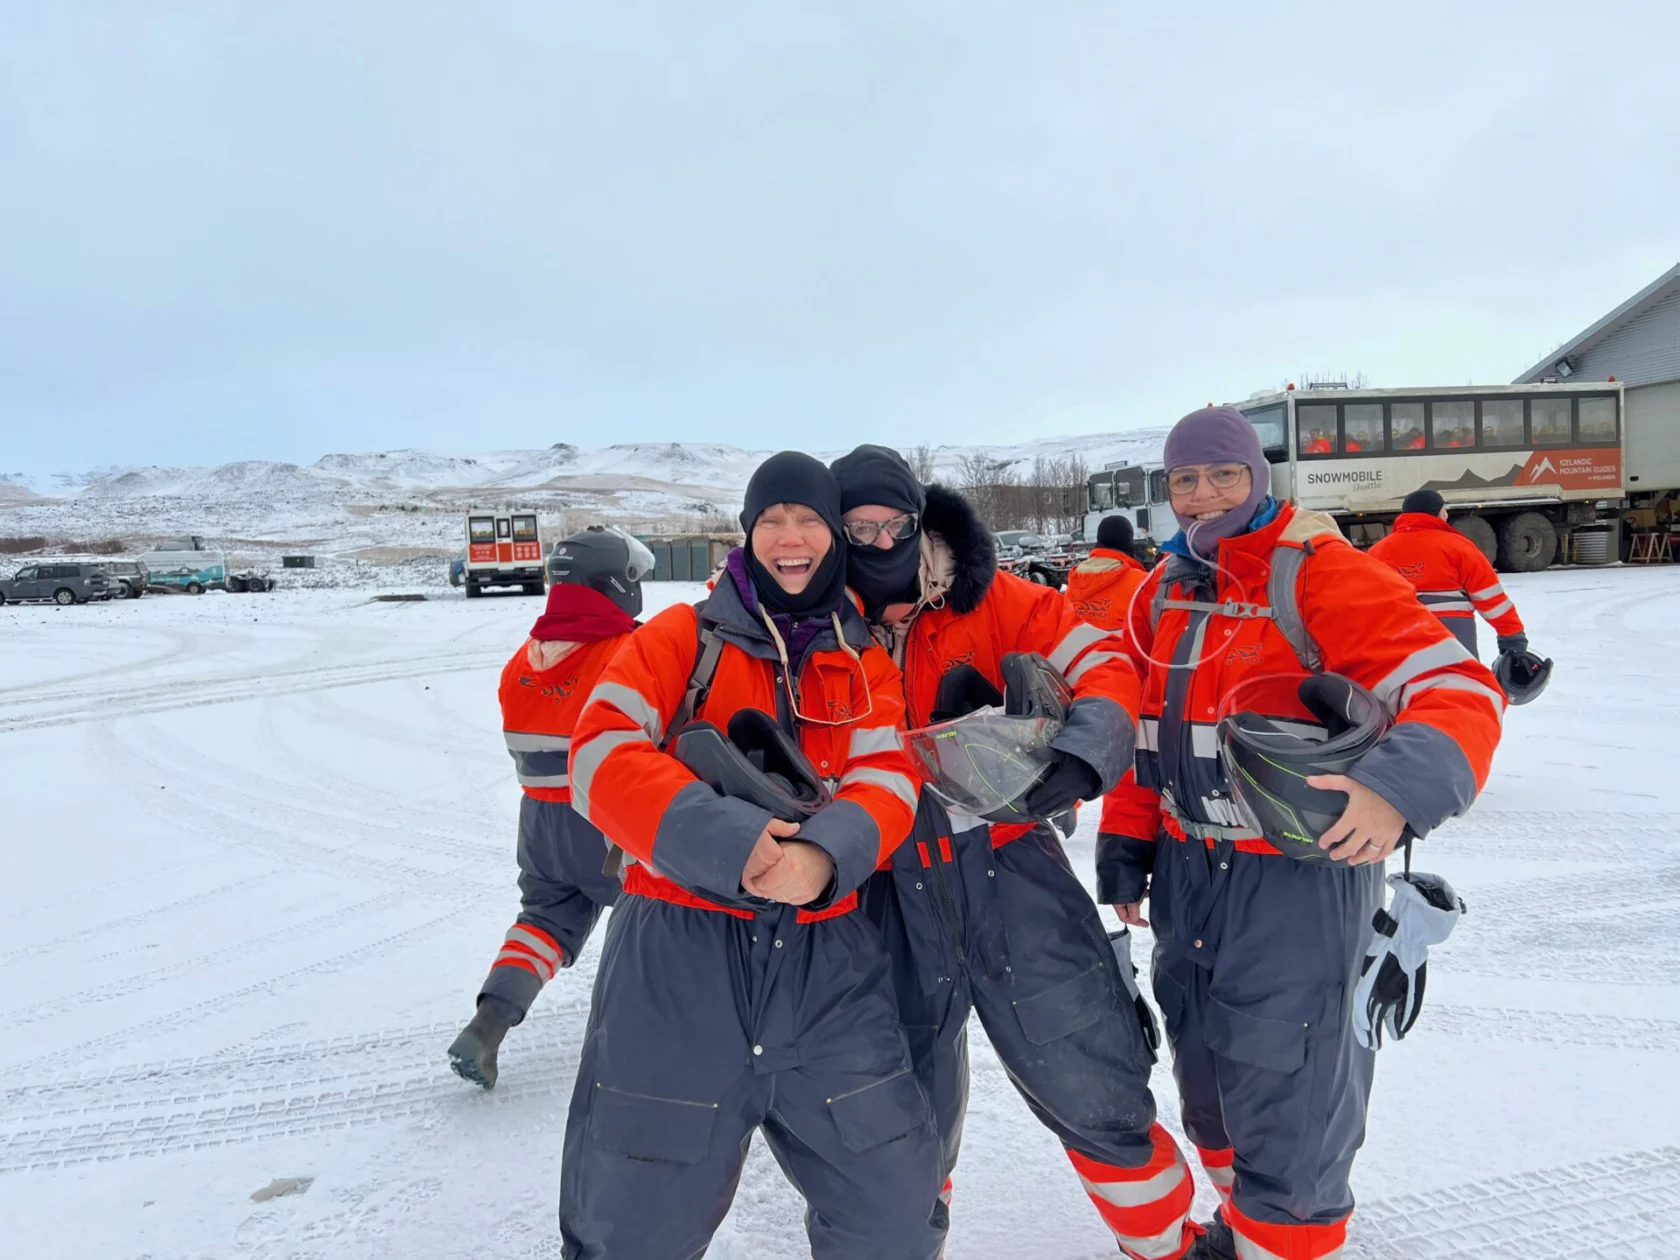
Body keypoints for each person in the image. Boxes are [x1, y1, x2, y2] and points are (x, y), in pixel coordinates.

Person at [1100, 408, 1506, 1260]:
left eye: (1224, 475)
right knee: (1205, 1068)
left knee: (1295, 1084)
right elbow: (1146, 733)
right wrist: (1128, 849)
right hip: (1188, 871)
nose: (1203, 495)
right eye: (1185, 480)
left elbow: (1460, 686)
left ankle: (1284, 1238)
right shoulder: (1170, 588)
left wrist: (1395, 791)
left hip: (1297, 880)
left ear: (1259, 478)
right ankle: (1244, 1226)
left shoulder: (1317, 574)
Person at [561, 452, 945, 1260]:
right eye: (771, 520)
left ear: (834, 538)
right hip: (678, 959)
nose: (790, 536)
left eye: (807, 519)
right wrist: (730, 844)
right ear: (746, 535)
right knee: (631, 1222)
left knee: (892, 1211)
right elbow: (596, 757)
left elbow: (890, 778)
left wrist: (822, 857)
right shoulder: (675, 639)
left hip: (830, 965)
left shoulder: (860, 658)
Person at [831, 445, 1199, 1260]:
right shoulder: (805, 619)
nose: (878, 539)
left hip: (1010, 872)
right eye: (857, 527)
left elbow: (1101, 661)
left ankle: (1170, 1246)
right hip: (875, 891)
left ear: (920, 522)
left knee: (1091, 1075)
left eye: (893, 523)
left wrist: (1081, 754)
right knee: (891, 1115)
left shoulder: (992, 598)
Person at [447, 527, 647, 1089]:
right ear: (617, 585)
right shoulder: (627, 651)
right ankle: (649, 1040)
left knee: (544, 923)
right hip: (607, 824)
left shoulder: (523, 662)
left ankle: (488, 1026)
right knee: (663, 922)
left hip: (539, 824)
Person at [1369, 489, 1529, 659]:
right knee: (1460, 684)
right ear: (1438, 513)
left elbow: (1364, 603)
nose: (1447, 514)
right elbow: (1491, 599)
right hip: (1454, 639)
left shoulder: (1377, 553)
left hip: (1399, 640)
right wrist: (1512, 636)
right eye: (1444, 509)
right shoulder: (1460, 548)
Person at [1066, 514, 1150, 633]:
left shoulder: (1076, 577)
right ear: (1129, 543)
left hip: (1078, 650)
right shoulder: (1141, 582)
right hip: (1122, 650)